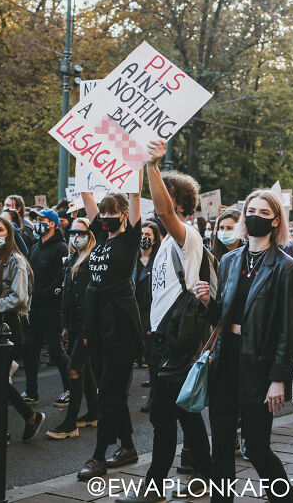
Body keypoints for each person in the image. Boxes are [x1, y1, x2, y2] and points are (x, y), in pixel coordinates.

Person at [115, 141, 212, 503]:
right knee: (184, 413)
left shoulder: (188, 238)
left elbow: (163, 211)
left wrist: (152, 168)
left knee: (162, 417)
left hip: (177, 343)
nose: (158, 205)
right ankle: (206, 471)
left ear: (179, 206)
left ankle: (153, 489)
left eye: (165, 198)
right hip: (161, 341)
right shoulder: (164, 247)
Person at [193, 190, 293, 503]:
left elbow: (288, 328)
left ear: (276, 220)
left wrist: (279, 377)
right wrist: (206, 303)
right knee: (222, 447)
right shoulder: (228, 260)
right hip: (226, 358)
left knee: (255, 446)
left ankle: (285, 498)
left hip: (260, 364)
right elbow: (222, 317)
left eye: (263, 212)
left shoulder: (286, 267)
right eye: (250, 210)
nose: (254, 216)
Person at [75, 183, 146, 480]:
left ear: (125, 215)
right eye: (103, 212)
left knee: (109, 394)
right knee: (112, 392)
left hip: (121, 326)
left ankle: (98, 457)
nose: (105, 217)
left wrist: (135, 172)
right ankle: (128, 446)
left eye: (111, 213)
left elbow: (135, 196)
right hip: (100, 324)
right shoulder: (101, 239)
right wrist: (83, 175)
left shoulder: (129, 240)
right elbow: (87, 198)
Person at [0, 216, 46, 446]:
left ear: (9, 233)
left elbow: (19, 298)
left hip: (6, 325)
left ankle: (12, 425)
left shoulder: (16, 261)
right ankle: (24, 419)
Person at [47, 217, 100, 439]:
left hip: (86, 327)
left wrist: (87, 332)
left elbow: (91, 299)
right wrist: (66, 326)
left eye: (81, 233)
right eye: (73, 233)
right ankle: (94, 413)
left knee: (74, 369)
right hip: (74, 325)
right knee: (84, 370)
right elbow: (68, 295)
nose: (76, 237)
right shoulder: (71, 260)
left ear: (91, 236)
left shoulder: (92, 261)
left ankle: (70, 423)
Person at [22, 208, 70, 406]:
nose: (37, 223)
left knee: (55, 350)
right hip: (33, 308)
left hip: (51, 308)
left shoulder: (61, 248)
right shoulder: (35, 246)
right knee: (29, 349)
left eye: (41, 219)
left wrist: (45, 294)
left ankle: (69, 389)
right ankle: (31, 391)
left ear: (51, 223)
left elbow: (62, 277)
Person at [136, 221, 163, 410]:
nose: (144, 237)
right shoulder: (133, 259)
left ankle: (155, 395)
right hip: (135, 311)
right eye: (142, 233)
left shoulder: (159, 260)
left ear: (155, 238)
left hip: (151, 313)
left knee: (153, 358)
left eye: (148, 234)